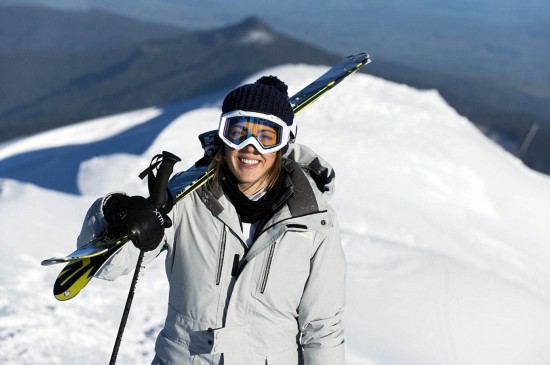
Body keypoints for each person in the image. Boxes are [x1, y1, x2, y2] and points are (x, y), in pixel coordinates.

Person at [77, 76, 346, 365]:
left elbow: (323, 328)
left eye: (267, 136)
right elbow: (110, 267)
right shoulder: (185, 200)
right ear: (222, 137)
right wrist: (116, 214)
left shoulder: (313, 219)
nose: (250, 146)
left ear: (283, 144)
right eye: (238, 132)